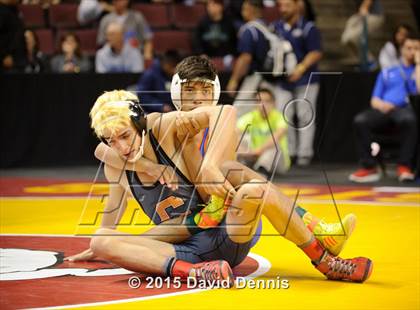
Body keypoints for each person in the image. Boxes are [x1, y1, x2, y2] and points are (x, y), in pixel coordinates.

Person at [67, 56, 372, 284]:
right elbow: (108, 219)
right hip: (185, 248)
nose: (120, 147)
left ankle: (327, 262)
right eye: (112, 140)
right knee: (100, 241)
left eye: (125, 136)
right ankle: (200, 273)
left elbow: (226, 111)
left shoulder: (166, 125)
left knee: (241, 179)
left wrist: (211, 167)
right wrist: (110, 247)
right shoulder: (116, 164)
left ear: (140, 125)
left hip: (225, 229)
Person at [349, 35, 420, 183]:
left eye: (416, 48)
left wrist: (419, 64)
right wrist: (383, 105)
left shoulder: (416, 71)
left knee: (410, 120)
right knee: (360, 120)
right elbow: (374, 99)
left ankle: (404, 166)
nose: (412, 52)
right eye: (409, 48)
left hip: (404, 109)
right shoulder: (388, 72)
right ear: (401, 50)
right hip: (383, 109)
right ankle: (369, 166)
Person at [271, 0, 322, 166]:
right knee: (283, 116)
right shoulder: (276, 27)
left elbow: (315, 52)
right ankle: (289, 152)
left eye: (287, 5)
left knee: (304, 116)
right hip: (283, 80)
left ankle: (304, 154)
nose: (282, 9)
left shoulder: (308, 28)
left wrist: (300, 68)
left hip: (306, 79)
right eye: (280, 5)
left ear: (297, 5)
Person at [226, 0, 273, 117]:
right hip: (270, 79)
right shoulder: (268, 27)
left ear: (252, 8)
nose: (242, 12)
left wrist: (234, 80)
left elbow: (245, 57)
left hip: (255, 78)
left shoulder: (249, 30)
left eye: (244, 9)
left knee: (238, 113)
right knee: (262, 114)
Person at [237, 88, 290, 175]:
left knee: (274, 145)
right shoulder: (250, 117)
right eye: (259, 101)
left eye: (267, 101)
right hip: (254, 157)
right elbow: (234, 133)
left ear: (274, 103)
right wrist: (247, 151)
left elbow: (276, 137)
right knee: (241, 139)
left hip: (278, 163)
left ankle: (261, 171)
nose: (262, 104)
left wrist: (258, 151)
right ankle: (239, 169)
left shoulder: (280, 117)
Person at [341, 0, 384, 69]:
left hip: (374, 15)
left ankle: (370, 60)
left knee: (352, 37)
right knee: (345, 39)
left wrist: (364, 7)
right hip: (360, 15)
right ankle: (363, 59)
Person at [0, 0, 26, 73]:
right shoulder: (2, 11)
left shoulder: (14, 9)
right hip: (5, 63)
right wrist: (3, 56)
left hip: (18, 60)